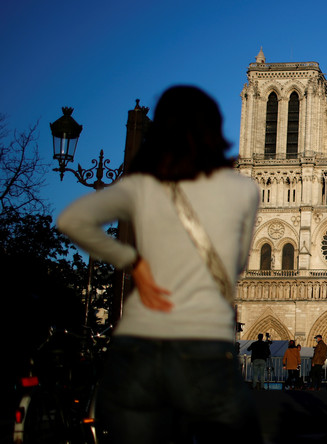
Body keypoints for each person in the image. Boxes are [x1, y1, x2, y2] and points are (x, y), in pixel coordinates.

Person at [57, 85, 262, 443]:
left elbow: (72, 220)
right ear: (215, 129)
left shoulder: (141, 185)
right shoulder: (243, 190)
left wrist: (133, 261)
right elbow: (239, 263)